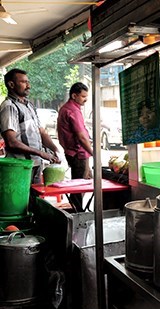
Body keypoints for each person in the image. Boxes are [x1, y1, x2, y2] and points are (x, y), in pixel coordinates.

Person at [0, 68, 60, 183]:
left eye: (28, 82)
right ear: (11, 84)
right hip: (20, 167)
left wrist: (55, 150)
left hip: (35, 165)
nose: (28, 86)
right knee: (22, 199)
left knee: (34, 199)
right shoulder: (9, 106)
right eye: (23, 82)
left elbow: (41, 132)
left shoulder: (29, 105)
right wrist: (41, 153)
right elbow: (11, 142)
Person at [57, 82, 93, 211]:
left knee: (83, 181)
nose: (85, 99)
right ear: (74, 95)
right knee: (79, 186)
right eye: (83, 96)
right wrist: (94, 153)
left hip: (73, 152)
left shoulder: (66, 108)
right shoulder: (72, 110)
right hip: (78, 153)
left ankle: (76, 211)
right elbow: (81, 136)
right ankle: (77, 214)